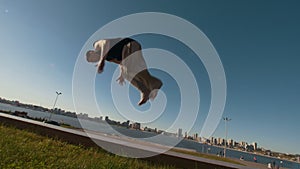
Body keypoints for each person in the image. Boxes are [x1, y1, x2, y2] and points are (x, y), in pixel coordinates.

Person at [86, 37, 163, 105]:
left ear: (91, 52)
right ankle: (144, 90)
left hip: (129, 45)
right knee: (126, 73)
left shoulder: (96, 46)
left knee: (130, 69)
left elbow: (106, 43)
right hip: (126, 53)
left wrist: (102, 61)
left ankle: (153, 82)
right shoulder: (108, 58)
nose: (94, 61)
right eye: (93, 62)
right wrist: (121, 75)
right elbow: (121, 63)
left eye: (92, 59)